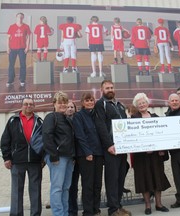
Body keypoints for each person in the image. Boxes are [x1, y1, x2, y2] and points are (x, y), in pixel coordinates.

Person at [94, 80, 131, 216]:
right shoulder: (100, 104)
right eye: (107, 88)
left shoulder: (120, 105)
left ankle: (118, 206)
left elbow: (126, 125)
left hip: (122, 147)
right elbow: (101, 126)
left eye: (111, 87)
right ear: (102, 90)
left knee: (120, 178)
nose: (110, 89)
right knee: (112, 179)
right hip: (111, 149)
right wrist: (109, 145)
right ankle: (113, 210)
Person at [0, 98, 43, 216]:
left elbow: (45, 141)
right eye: (26, 104)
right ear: (22, 106)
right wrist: (6, 158)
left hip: (35, 161)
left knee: (35, 191)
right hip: (17, 161)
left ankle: (35, 214)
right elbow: (5, 140)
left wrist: (43, 158)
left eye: (31, 104)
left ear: (34, 106)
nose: (28, 106)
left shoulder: (39, 121)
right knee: (17, 191)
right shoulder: (13, 120)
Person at [132, 93, 170, 215]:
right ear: (136, 106)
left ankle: (159, 204)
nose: (142, 105)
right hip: (141, 156)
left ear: (147, 104)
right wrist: (143, 148)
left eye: (143, 102)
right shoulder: (133, 119)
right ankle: (148, 205)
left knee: (157, 177)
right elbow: (133, 138)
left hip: (155, 155)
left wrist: (161, 148)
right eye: (139, 103)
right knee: (144, 179)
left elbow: (161, 135)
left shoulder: (156, 117)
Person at [43, 91, 75, 216]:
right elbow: (46, 136)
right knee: (57, 188)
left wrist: (73, 156)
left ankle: (64, 213)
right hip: (58, 158)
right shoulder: (51, 117)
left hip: (69, 158)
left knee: (66, 188)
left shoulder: (67, 119)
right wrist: (53, 155)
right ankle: (58, 214)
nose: (63, 105)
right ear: (54, 104)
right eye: (60, 102)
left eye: (65, 102)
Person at [73, 93, 104, 216]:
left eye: (91, 100)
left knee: (97, 184)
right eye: (87, 100)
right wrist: (88, 152)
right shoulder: (78, 116)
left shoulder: (96, 115)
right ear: (82, 102)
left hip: (98, 154)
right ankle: (88, 211)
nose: (90, 102)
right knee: (88, 184)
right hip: (86, 155)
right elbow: (80, 136)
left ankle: (96, 209)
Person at [6, 12, 31, 87]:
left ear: (23, 18)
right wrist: (7, 47)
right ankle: (10, 80)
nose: (20, 18)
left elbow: (28, 37)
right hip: (12, 48)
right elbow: (8, 38)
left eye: (21, 17)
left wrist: (27, 47)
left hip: (22, 48)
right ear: (16, 17)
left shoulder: (26, 26)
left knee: (23, 64)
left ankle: (22, 80)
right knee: (11, 65)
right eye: (18, 17)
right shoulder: (12, 26)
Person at [65, 101, 80, 216]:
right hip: (65, 158)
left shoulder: (78, 121)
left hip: (77, 158)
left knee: (73, 186)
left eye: (72, 107)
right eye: (68, 107)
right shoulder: (60, 121)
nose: (70, 109)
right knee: (65, 186)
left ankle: (73, 211)